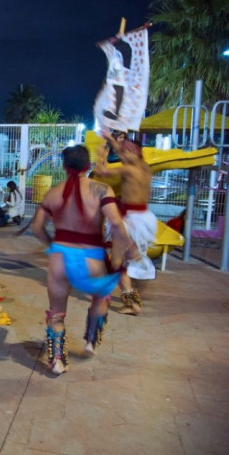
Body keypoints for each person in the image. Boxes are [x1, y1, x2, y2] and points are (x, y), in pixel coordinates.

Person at [31, 145, 137, 375]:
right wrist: (130, 248)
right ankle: (90, 339)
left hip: (60, 257)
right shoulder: (101, 190)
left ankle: (57, 360)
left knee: (56, 312)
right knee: (102, 296)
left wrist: (53, 246)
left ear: (64, 166)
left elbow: (37, 227)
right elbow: (117, 224)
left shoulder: (54, 193)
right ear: (87, 165)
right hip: (92, 257)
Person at [95, 131, 156, 316]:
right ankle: (132, 295)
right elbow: (123, 151)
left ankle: (131, 300)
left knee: (116, 263)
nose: (122, 155)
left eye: (126, 153)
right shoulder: (145, 167)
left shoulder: (129, 169)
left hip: (131, 221)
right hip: (144, 217)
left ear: (134, 153)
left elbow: (101, 172)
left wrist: (101, 155)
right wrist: (111, 139)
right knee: (121, 261)